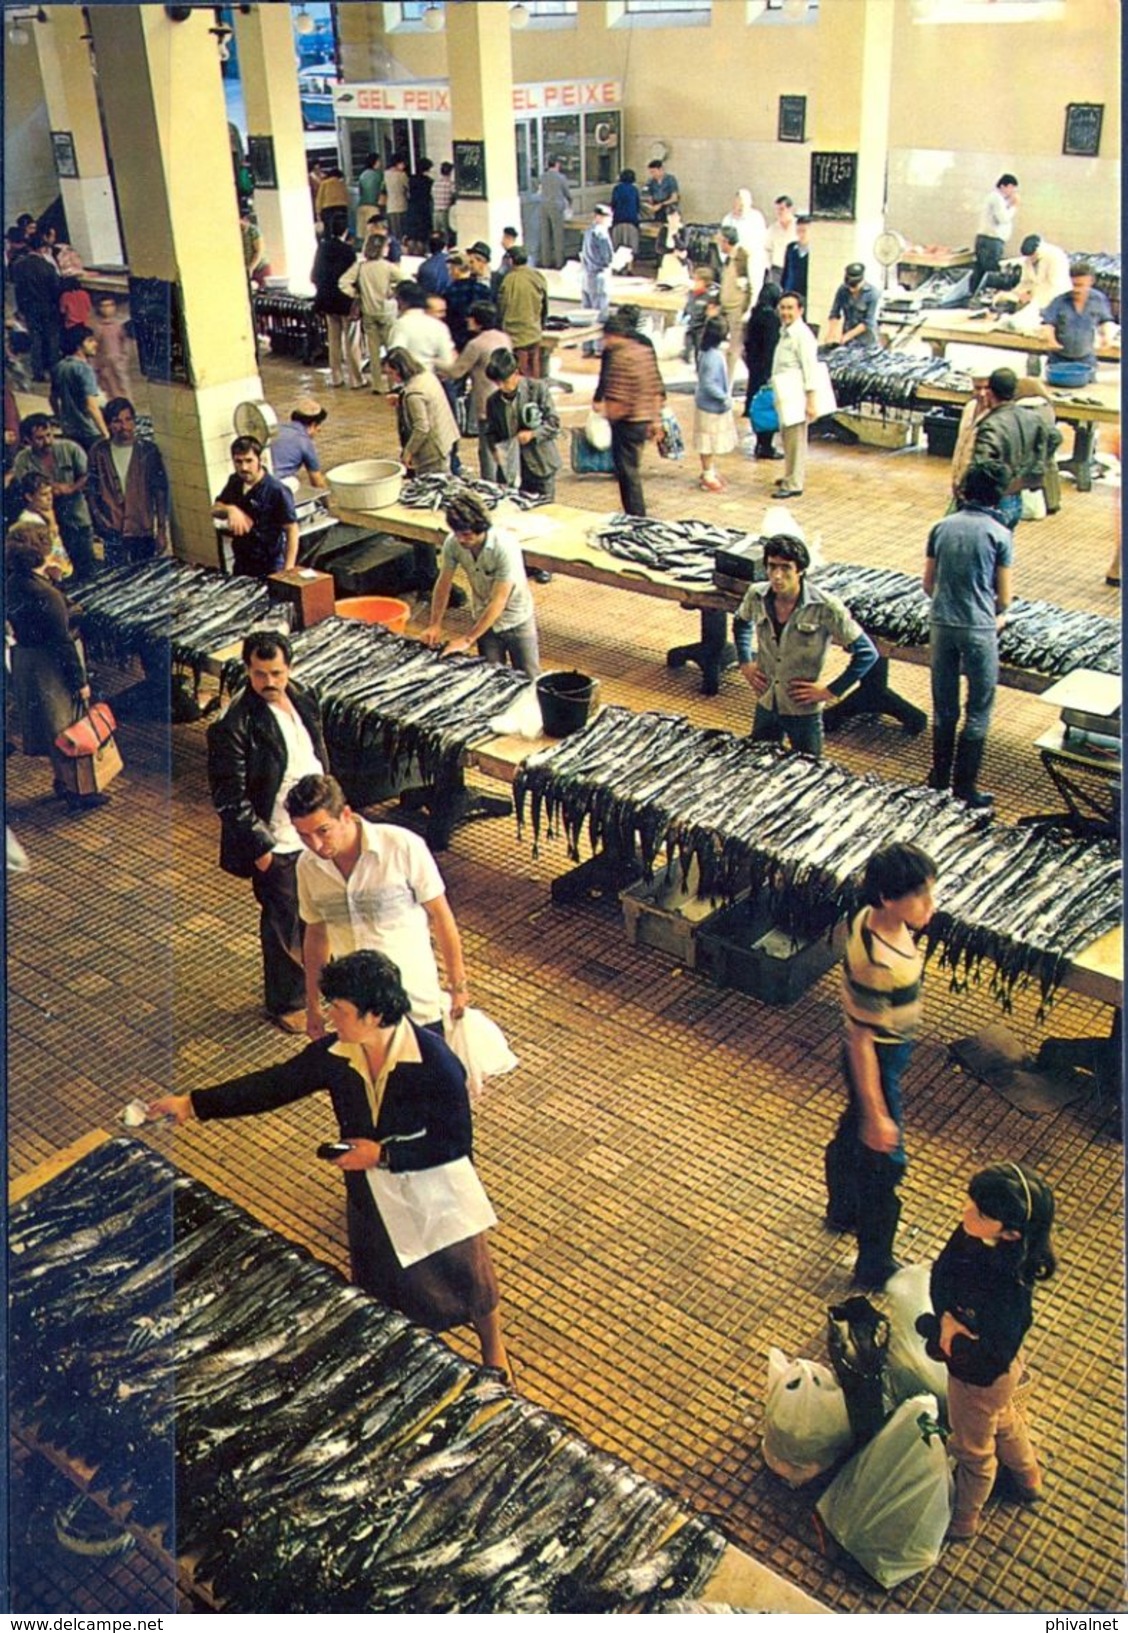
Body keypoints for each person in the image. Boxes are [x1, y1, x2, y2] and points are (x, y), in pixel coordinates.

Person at [147, 948, 510, 1375]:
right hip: (370, 1188)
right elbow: (278, 1083)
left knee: (468, 1275)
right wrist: (194, 1104)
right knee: (383, 1280)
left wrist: (384, 1154)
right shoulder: (338, 1054)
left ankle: (493, 1349)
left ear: (374, 1015)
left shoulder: (437, 1064)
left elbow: (456, 1144)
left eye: (339, 1008)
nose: (329, 1017)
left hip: (433, 1184)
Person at [919, 1162, 1056, 1540]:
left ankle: (964, 1520)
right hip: (989, 1371)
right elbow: (940, 1274)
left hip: (980, 1376)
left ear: (1010, 1233)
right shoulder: (972, 1234)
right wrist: (946, 1317)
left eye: (980, 1212)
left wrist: (953, 1345)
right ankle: (1027, 1476)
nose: (966, 1212)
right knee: (1002, 1417)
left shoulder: (1011, 1288)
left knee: (973, 1449)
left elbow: (993, 1354)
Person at [823, 843, 937, 1290]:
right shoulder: (878, 962)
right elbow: (862, 1041)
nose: (931, 905)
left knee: (851, 1134)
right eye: (920, 896)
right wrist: (878, 1113)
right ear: (889, 899)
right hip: (878, 1060)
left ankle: (841, 1209)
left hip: (884, 1050)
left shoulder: (870, 920)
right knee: (883, 1165)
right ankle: (873, 1263)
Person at [206, 628, 328, 1031]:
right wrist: (263, 849)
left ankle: (315, 983)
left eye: (276, 673)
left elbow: (318, 751)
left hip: (313, 830)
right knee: (283, 922)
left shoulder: (304, 695)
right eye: (260, 674)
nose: (270, 683)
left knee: (316, 913)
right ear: (247, 670)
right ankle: (285, 1002)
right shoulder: (234, 724)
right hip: (277, 840)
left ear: (289, 668)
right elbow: (229, 798)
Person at [286, 772, 469, 1039]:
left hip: (414, 1001)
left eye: (322, 831)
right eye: (303, 835)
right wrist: (313, 1006)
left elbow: (441, 916)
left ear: (345, 815)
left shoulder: (401, 847)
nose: (314, 845)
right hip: (356, 1011)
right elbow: (316, 935)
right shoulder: (307, 866)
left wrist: (458, 985)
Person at [734, 532, 879, 757]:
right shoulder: (756, 595)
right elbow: (741, 622)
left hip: (802, 709)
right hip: (766, 702)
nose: (777, 576)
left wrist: (830, 691)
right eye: (772, 567)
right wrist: (745, 661)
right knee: (757, 762)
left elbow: (867, 654)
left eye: (785, 568)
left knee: (810, 769)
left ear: (800, 570)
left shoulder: (826, 607)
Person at [922, 459, 1014, 808]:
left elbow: (928, 585)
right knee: (978, 710)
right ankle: (966, 789)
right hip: (979, 629)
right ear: (997, 496)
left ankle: (939, 780)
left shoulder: (941, 527)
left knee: (943, 709)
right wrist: (996, 616)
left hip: (942, 626)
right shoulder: (999, 534)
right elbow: (1003, 598)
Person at [6, 523, 106, 811]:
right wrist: (80, 681)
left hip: (26, 660)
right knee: (66, 727)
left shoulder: (14, 583)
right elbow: (62, 641)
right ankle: (78, 791)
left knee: (50, 729)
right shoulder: (46, 595)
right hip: (50, 666)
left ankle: (62, 781)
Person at [423, 489, 540, 675]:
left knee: (528, 677)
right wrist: (435, 623)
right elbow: (443, 584)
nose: (461, 540)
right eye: (457, 533)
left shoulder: (505, 547)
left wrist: (468, 640)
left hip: (516, 619)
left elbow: (499, 600)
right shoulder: (453, 543)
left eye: (467, 535)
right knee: (490, 676)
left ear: (482, 529)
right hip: (483, 618)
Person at [592, 310, 666, 518]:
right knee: (632, 467)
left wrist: (608, 414)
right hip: (643, 420)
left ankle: (635, 516)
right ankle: (636, 513)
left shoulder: (619, 357)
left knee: (627, 473)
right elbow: (655, 385)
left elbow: (619, 397)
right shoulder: (644, 350)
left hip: (627, 423)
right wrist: (655, 419)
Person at [11, 414, 97, 581]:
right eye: (40, 438)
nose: (47, 441)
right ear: (28, 440)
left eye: (49, 435)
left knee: (86, 564)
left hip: (77, 517)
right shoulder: (23, 460)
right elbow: (25, 488)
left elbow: (89, 475)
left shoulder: (70, 449)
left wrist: (72, 488)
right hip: (47, 523)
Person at [86, 398, 171, 565]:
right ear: (108, 424)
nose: (124, 426)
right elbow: (91, 490)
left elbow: (160, 491)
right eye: (117, 421)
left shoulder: (147, 451)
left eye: (128, 419)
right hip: (112, 529)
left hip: (142, 528)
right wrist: (100, 519)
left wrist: (161, 530)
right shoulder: (99, 452)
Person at [212, 436, 299, 578]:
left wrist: (288, 571)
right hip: (242, 563)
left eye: (249, 461)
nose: (244, 468)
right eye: (238, 462)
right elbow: (215, 509)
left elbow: (292, 530)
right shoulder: (235, 482)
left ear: (260, 459)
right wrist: (230, 509)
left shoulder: (276, 490)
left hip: (269, 565)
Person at [442, 301, 509, 481]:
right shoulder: (503, 338)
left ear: (478, 320)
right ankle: (508, 483)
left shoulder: (476, 344)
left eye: (470, 317)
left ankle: (490, 486)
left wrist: (437, 362)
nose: (467, 320)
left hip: (486, 404)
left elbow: (456, 372)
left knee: (487, 451)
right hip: (507, 400)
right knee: (505, 447)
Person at [484, 346, 561, 500]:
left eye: (504, 382)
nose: (501, 387)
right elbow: (491, 432)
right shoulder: (493, 401)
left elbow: (553, 423)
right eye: (497, 383)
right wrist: (495, 451)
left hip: (540, 464)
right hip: (511, 468)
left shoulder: (537, 390)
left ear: (516, 374)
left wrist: (533, 434)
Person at [971, 367, 1042, 529]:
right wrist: (1032, 469)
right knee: (1004, 545)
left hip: (994, 499)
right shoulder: (1032, 417)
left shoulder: (992, 424)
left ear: (990, 391)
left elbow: (982, 463)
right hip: (1016, 496)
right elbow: (1053, 437)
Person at [384, 346, 460, 483]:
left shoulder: (414, 394)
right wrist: (402, 400)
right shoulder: (426, 376)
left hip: (433, 450)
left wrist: (408, 452)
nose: (390, 377)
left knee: (434, 487)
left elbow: (422, 428)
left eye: (390, 373)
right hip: (446, 437)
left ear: (400, 370)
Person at [769, 291, 819, 499]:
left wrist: (811, 401)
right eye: (783, 308)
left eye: (790, 308)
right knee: (787, 437)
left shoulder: (802, 335)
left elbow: (810, 369)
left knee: (796, 438)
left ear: (800, 310)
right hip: (784, 392)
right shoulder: (785, 331)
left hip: (796, 393)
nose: (785, 312)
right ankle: (790, 474)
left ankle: (794, 483)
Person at [1040, 262, 1116, 387]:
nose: (1076, 289)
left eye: (1080, 285)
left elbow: (1105, 320)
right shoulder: (1059, 301)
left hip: (1086, 359)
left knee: (1089, 391)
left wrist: (1106, 337)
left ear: (1090, 282)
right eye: (1073, 285)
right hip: (1059, 359)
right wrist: (1051, 339)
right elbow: (1048, 324)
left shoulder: (1099, 299)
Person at [313, 221, 364, 390]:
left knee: (333, 340)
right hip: (344, 301)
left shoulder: (322, 248)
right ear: (346, 231)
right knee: (351, 341)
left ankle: (336, 377)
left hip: (326, 301)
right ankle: (356, 379)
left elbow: (314, 275)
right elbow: (352, 278)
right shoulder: (348, 251)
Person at [693, 317, 736, 493]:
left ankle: (709, 470)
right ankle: (708, 473)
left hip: (706, 404)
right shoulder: (713, 357)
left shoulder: (705, 352)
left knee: (708, 441)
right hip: (710, 406)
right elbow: (708, 383)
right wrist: (724, 398)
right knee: (708, 442)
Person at [354, 233, 402, 390]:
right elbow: (407, 281)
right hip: (386, 312)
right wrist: (394, 292)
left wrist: (356, 294)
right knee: (391, 349)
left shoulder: (361, 267)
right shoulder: (388, 267)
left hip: (368, 311)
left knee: (373, 352)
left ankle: (377, 385)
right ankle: (392, 383)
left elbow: (344, 283)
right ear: (381, 248)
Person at [10, 233, 61, 381]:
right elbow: (56, 289)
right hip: (48, 308)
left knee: (35, 340)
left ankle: (37, 372)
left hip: (30, 308)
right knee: (52, 340)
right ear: (42, 248)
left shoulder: (19, 266)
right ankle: (54, 371)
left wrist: (21, 309)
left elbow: (17, 289)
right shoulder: (48, 267)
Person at [495, 246, 548, 379]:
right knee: (535, 370)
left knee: (519, 374)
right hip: (534, 331)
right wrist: (542, 323)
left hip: (516, 336)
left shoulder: (508, 280)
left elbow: (502, 306)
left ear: (511, 261)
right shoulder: (537, 276)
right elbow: (545, 304)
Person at [51, 326, 107, 451]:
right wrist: (105, 433)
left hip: (69, 430)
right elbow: (91, 406)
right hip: (89, 431)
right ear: (78, 345)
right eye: (90, 341)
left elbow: (53, 399)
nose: (95, 344)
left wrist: (61, 419)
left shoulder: (59, 367)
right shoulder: (84, 369)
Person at [743, 281, 783, 455]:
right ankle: (765, 445)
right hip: (766, 367)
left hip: (754, 364)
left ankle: (761, 442)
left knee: (757, 403)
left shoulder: (755, 313)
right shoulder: (771, 318)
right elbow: (771, 346)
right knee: (768, 407)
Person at [1013, 377, 1062, 515]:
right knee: (1050, 466)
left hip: (1031, 450)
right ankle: (1052, 503)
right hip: (1048, 444)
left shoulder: (1022, 409)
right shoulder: (1046, 406)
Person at [387, 281, 455, 374]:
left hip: (408, 379)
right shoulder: (439, 326)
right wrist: (431, 361)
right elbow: (447, 360)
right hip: (432, 379)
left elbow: (395, 355)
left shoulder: (401, 325)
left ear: (401, 301)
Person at [969, 173, 1019, 296]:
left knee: (980, 270)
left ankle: (974, 295)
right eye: (1011, 188)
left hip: (985, 239)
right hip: (991, 241)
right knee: (991, 272)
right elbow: (1003, 218)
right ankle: (985, 297)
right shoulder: (997, 198)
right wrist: (1014, 206)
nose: (1012, 192)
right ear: (1003, 186)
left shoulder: (994, 198)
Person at [716, 226, 751, 389]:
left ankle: (727, 386)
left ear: (726, 241)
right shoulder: (728, 258)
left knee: (734, 349)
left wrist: (744, 309)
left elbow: (746, 285)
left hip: (736, 309)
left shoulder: (741, 257)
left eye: (720, 240)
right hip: (725, 306)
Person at [949, 370, 993, 500]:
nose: (982, 393)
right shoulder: (970, 407)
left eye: (986, 388)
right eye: (978, 388)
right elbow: (961, 443)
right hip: (961, 478)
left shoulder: (996, 414)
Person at [269, 398, 329, 490]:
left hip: (257, 478)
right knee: (294, 482)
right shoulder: (304, 441)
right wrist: (326, 503)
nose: (319, 430)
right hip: (273, 484)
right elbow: (317, 482)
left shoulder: (279, 428)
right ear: (313, 425)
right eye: (319, 425)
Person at [721, 189, 767, 297]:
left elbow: (761, 241)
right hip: (733, 264)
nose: (741, 207)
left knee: (753, 294)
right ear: (734, 203)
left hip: (753, 263)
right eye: (739, 204)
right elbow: (723, 244)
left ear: (750, 204)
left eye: (744, 205)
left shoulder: (757, 218)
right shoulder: (728, 219)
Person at [1012, 234, 1071, 313]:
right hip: (1037, 297)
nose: (1030, 259)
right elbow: (1026, 281)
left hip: (1054, 297)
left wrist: (1033, 297)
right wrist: (1019, 293)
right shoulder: (1028, 260)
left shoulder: (1056, 257)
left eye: (1032, 255)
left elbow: (1055, 286)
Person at [90, 294, 132, 402]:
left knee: (123, 390)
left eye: (110, 305)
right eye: (104, 306)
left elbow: (125, 343)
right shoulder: (97, 327)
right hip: (104, 366)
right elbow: (94, 348)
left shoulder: (118, 325)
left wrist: (123, 359)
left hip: (118, 364)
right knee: (108, 392)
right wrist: (95, 365)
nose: (107, 309)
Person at [828, 262, 880, 348]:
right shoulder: (843, 290)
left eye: (855, 286)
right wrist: (832, 333)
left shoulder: (872, 293)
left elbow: (868, 322)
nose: (852, 290)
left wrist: (848, 336)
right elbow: (835, 313)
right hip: (847, 337)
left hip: (866, 340)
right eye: (850, 287)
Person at [537, 158, 572, 270]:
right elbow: (567, 193)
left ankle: (545, 261)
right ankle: (559, 262)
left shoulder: (542, 177)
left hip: (543, 206)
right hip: (556, 207)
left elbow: (538, 190)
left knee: (545, 235)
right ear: (557, 164)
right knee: (558, 236)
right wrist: (570, 202)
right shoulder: (561, 177)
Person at [403, 157, 435, 252]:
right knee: (423, 233)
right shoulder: (428, 181)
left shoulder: (411, 180)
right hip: (424, 209)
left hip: (412, 208)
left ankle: (412, 250)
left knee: (413, 233)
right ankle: (423, 250)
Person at [765, 195, 798, 282]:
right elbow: (767, 249)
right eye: (777, 210)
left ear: (790, 209)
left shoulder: (798, 227)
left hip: (793, 268)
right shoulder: (772, 229)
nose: (779, 213)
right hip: (777, 269)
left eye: (782, 209)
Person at [610, 168, 641, 254]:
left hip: (618, 220)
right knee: (630, 247)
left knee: (617, 246)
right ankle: (630, 266)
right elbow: (637, 206)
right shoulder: (634, 189)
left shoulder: (617, 189)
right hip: (632, 221)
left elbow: (613, 204)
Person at [781, 215, 811, 303]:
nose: (801, 234)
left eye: (804, 231)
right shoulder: (791, 247)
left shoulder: (815, 251)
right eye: (798, 231)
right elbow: (786, 271)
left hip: (806, 292)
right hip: (790, 290)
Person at [314, 165, 350, 237]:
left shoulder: (324, 183)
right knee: (341, 229)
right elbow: (347, 197)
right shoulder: (341, 184)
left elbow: (319, 198)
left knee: (328, 230)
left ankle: (329, 243)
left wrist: (318, 212)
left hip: (327, 209)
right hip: (342, 207)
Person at [642, 158, 680, 224]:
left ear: (661, 169)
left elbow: (674, 198)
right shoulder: (651, 181)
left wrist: (661, 204)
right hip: (656, 208)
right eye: (651, 172)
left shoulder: (670, 179)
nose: (652, 174)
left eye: (654, 172)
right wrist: (650, 204)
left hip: (669, 208)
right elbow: (647, 194)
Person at [417, 231, 452, 298]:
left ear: (429, 246)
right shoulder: (454, 263)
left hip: (433, 304)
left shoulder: (424, 267)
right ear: (445, 245)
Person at [383, 155, 410, 240]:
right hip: (401, 205)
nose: (404, 166)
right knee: (401, 230)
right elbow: (408, 187)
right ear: (397, 164)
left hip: (390, 206)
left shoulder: (385, 174)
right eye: (402, 164)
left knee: (393, 231)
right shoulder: (402, 175)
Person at [432, 161, 456, 244]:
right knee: (445, 233)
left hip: (435, 211)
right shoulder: (450, 184)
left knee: (436, 232)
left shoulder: (436, 183)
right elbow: (454, 194)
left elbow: (432, 194)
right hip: (445, 211)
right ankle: (445, 248)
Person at [357, 151, 385, 216]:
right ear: (374, 162)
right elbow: (382, 189)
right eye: (379, 161)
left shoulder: (362, 174)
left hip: (362, 205)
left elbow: (360, 191)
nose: (380, 163)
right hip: (375, 206)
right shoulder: (378, 174)